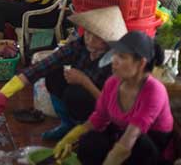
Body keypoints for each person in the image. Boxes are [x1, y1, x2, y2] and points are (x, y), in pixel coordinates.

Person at [0, 7, 128, 140]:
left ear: (109, 40)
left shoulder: (118, 63)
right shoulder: (78, 46)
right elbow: (43, 66)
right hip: (80, 95)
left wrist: (84, 81)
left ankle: (87, 131)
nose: (89, 39)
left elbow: (113, 108)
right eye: (87, 32)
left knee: (76, 94)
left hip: (106, 116)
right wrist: (4, 93)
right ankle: (67, 124)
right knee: (54, 73)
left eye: (97, 37)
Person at [54, 31, 174, 165]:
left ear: (141, 64)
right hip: (123, 133)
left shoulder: (154, 91)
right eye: (115, 54)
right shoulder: (112, 82)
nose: (114, 61)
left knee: (137, 146)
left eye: (122, 57)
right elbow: (99, 118)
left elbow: (131, 137)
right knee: (90, 141)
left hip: (151, 147)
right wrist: (70, 137)